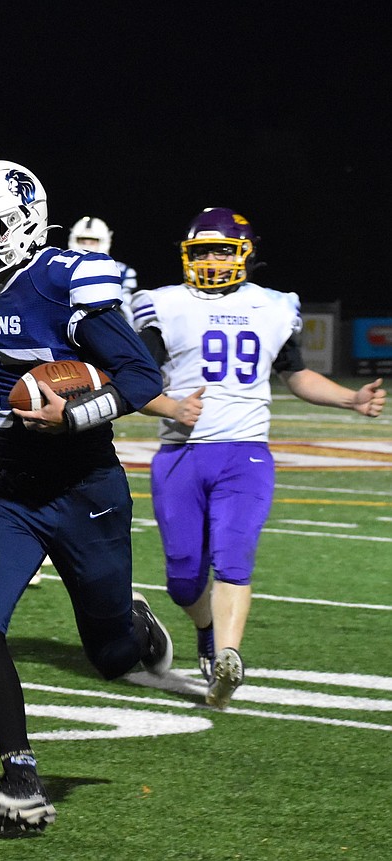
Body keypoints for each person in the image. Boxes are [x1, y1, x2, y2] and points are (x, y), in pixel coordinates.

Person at [0, 159, 202, 833]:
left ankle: (134, 627)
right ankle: (20, 778)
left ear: (20, 224)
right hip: (6, 490)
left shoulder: (64, 280)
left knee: (109, 659)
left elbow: (139, 373)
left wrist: (72, 415)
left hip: (83, 485)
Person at [130, 207, 386, 709]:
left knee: (233, 558)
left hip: (245, 453)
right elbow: (137, 380)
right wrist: (171, 405)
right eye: (202, 249)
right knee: (183, 580)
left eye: (222, 248)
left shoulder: (272, 306)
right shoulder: (163, 304)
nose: (211, 258)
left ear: (244, 253)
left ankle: (227, 655)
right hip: (181, 452)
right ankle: (206, 631)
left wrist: (350, 399)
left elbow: (296, 375)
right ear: (187, 254)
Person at [68, 216, 138, 325]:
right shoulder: (63, 267)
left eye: (92, 242)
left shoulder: (122, 271)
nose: (86, 246)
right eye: (82, 240)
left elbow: (126, 314)